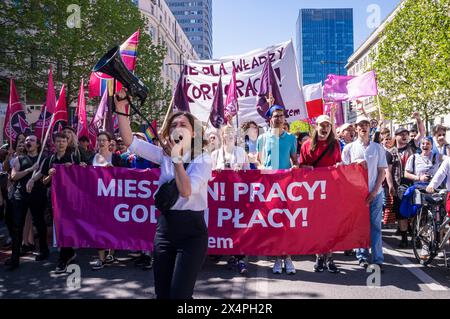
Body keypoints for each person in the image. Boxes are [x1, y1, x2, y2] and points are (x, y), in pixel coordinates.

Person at [116, 89, 212, 299]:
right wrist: (121, 109)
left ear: (194, 132)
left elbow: (186, 191)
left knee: (180, 295)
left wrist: (176, 160)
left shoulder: (203, 159)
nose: (178, 127)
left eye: (183, 125)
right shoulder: (163, 154)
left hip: (192, 235)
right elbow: (129, 141)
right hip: (165, 231)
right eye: (174, 125)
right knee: (163, 294)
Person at [30, 133, 84, 273]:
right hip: (54, 198)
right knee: (59, 226)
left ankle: (63, 258)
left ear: (67, 143)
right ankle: (68, 253)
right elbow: (44, 181)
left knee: (68, 226)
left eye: (63, 141)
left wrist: (74, 168)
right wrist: (50, 174)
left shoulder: (73, 157)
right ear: (54, 143)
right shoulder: (50, 159)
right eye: (58, 141)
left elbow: (82, 177)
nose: (61, 144)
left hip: (70, 198)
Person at [257, 104, 298, 275]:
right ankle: (276, 258)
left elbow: (294, 160)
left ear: (284, 119)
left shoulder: (291, 139)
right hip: (269, 187)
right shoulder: (263, 138)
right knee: (273, 223)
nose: (279, 118)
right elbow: (259, 162)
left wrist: (295, 167)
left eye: (281, 116)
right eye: (275, 116)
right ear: (270, 119)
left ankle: (287, 257)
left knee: (287, 223)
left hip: (286, 187)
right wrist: (263, 169)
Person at [342, 116, 387, 271]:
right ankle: (362, 256)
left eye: (366, 124)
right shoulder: (349, 148)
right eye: (360, 125)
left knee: (375, 226)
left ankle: (378, 259)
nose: (363, 127)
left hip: (376, 193)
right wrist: (355, 164)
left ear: (369, 127)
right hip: (357, 194)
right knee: (360, 226)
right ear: (356, 128)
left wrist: (374, 191)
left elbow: (382, 171)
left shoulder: (378, 148)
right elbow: (344, 171)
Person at [299, 115, 342, 273]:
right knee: (317, 225)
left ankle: (330, 257)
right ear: (316, 126)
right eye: (321, 125)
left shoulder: (335, 144)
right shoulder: (306, 145)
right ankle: (319, 257)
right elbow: (301, 165)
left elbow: (338, 163)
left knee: (330, 226)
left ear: (330, 128)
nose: (324, 128)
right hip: (313, 191)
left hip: (330, 191)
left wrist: (339, 165)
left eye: (327, 126)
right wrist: (305, 168)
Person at [5, 135, 48, 270]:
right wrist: (29, 170)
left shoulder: (43, 158)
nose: (28, 142)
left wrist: (33, 179)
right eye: (27, 140)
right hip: (20, 195)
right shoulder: (19, 159)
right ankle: (14, 258)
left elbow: (42, 172)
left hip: (37, 194)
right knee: (17, 226)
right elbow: (13, 176)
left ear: (38, 144)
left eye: (32, 140)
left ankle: (43, 250)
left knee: (39, 222)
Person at [211, 125, 250, 275]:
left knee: (238, 226)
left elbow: (250, 173)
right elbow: (209, 175)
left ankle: (240, 258)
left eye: (231, 133)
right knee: (223, 226)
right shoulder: (214, 154)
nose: (228, 135)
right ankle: (226, 253)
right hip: (220, 197)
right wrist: (216, 172)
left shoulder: (241, 152)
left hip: (237, 196)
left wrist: (242, 170)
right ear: (222, 136)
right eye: (225, 133)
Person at [90, 131, 125, 270]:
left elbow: (125, 175)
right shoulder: (92, 157)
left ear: (110, 142)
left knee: (113, 225)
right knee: (99, 226)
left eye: (104, 139)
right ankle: (101, 258)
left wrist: (114, 170)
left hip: (114, 198)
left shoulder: (116, 158)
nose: (101, 142)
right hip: (97, 199)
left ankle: (111, 252)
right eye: (99, 140)